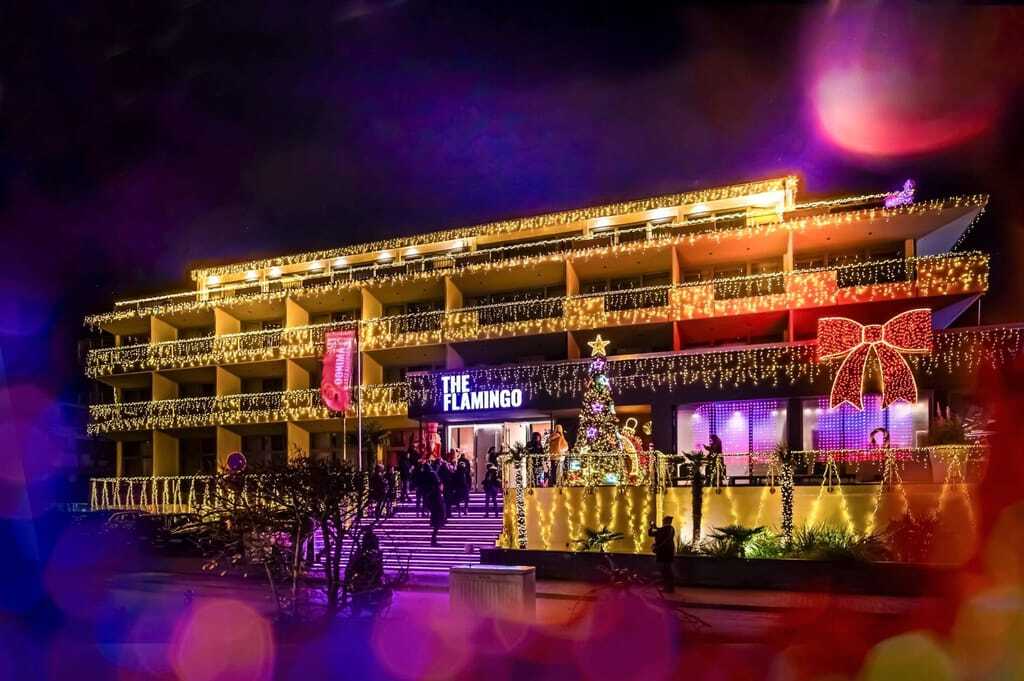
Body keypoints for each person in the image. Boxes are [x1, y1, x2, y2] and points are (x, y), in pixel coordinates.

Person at [648, 516, 677, 593]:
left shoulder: (669, 529)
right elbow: (652, 533)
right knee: (665, 570)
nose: (664, 521)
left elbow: (666, 539)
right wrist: (652, 526)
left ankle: (669, 588)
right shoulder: (664, 529)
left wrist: (657, 547)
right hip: (663, 552)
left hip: (666, 552)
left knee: (666, 570)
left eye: (665, 520)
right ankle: (668, 587)